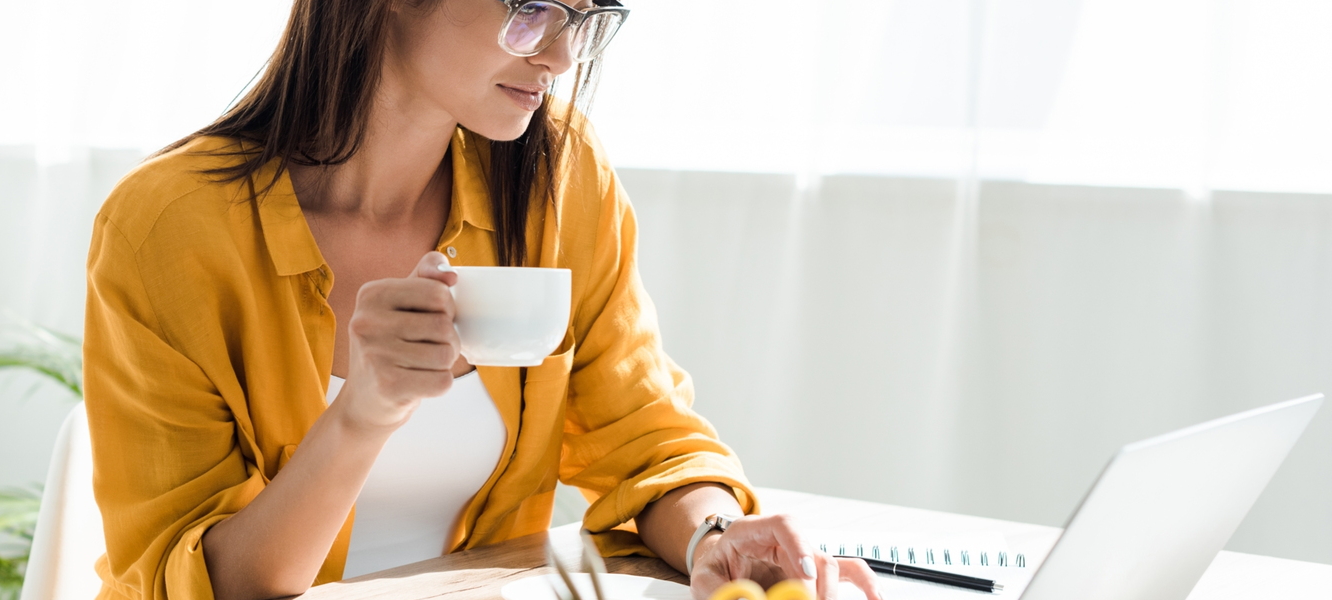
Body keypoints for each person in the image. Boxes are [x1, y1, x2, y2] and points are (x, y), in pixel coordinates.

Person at [82, 1, 885, 599]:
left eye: (586, 16)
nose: (562, 56)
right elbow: (200, 582)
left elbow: (643, 437)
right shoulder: (167, 231)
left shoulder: (558, 178)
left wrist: (716, 533)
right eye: (531, 9)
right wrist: (363, 414)